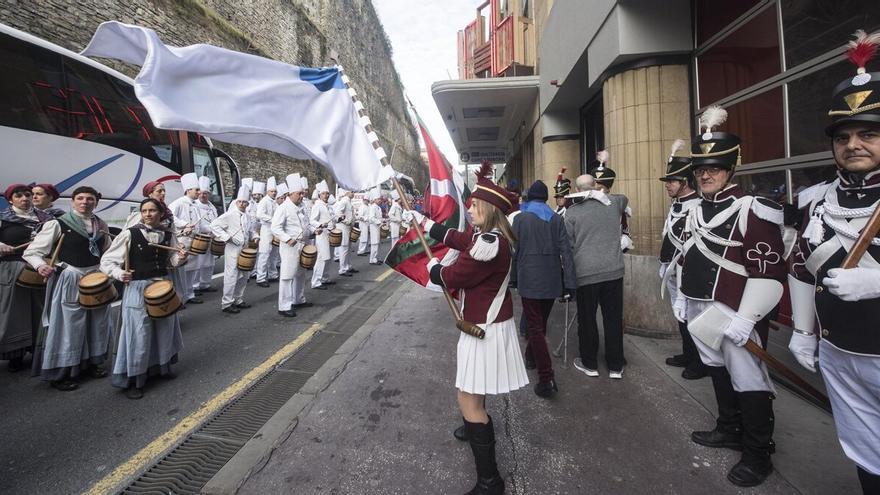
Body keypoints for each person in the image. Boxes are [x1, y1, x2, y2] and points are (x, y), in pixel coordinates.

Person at [786, 30, 880, 494]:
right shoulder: (816, 200)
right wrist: (804, 332)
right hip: (840, 352)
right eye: (843, 136)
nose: (853, 144)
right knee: (865, 452)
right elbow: (801, 265)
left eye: (868, 133)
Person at [674, 106, 786, 487]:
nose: (705, 174)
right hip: (702, 309)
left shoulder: (753, 208)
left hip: (739, 312)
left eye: (715, 168)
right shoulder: (695, 209)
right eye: (700, 169)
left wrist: (747, 317)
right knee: (716, 369)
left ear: (732, 168)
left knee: (749, 379)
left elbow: (768, 270)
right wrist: (683, 300)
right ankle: (728, 427)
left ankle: (758, 452)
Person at [409, 161, 527, 495]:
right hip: (486, 323)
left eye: (475, 205)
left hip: (483, 327)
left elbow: (453, 277)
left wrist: (433, 268)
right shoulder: (488, 236)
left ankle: (490, 481)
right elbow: (461, 239)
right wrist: (426, 224)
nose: (470, 208)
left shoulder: (490, 243)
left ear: (488, 209)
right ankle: (472, 426)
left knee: (468, 397)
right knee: (475, 387)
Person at [23, 186, 112, 391]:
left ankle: (91, 363)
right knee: (69, 326)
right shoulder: (57, 224)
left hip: (96, 278)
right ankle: (61, 372)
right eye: (80, 198)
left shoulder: (101, 224)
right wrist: (40, 265)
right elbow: (32, 252)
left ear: (95, 203)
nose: (85, 202)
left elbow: (107, 251)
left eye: (90, 199)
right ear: (72, 202)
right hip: (71, 277)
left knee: (96, 322)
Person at [100, 198, 187, 399]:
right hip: (138, 287)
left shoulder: (167, 234)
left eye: (152, 210)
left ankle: (161, 368)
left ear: (160, 213)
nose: (148, 214)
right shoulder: (130, 234)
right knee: (138, 332)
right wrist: (119, 273)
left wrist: (181, 257)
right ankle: (134, 378)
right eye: (144, 210)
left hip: (163, 286)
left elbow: (171, 261)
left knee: (164, 329)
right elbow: (107, 260)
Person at [565, 151, 631, 380]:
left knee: (587, 319)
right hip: (613, 271)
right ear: (596, 185)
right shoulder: (614, 203)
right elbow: (624, 199)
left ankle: (590, 363)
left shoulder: (571, 213)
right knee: (613, 318)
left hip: (586, 273)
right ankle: (615, 365)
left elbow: (570, 244)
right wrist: (600, 191)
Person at [511, 180, 576, 398]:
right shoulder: (556, 219)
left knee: (535, 327)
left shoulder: (520, 219)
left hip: (529, 280)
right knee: (539, 326)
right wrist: (570, 283)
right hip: (552, 280)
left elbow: (514, 251)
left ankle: (546, 377)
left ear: (530, 197)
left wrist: (513, 279)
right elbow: (566, 253)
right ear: (546, 198)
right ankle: (531, 356)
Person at [658, 139, 706, 380]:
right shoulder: (676, 205)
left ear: (685, 182)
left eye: (672, 181)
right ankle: (688, 355)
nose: (668, 186)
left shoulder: (698, 206)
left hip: (689, 274)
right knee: (682, 317)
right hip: (673, 272)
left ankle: (700, 362)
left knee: (693, 318)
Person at [0, 184, 51, 372]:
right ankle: (15, 354)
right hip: (12, 268)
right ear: (10, 199)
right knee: (16, 313)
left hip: (40, 268)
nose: (24, 199)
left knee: (40, 310)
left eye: (27, 195)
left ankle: (38, 349)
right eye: (19, 196)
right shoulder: (3, 219)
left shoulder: (46, 219)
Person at [211, 184, 255, 314]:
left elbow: (250, 231)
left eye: (244, 202)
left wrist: (256, 237)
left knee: (245, 275)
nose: (242, 204)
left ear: (247, 204)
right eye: (240, 202)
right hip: (232, 249)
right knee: (232, 275)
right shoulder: (229, 215)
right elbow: (214, 225)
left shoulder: (247, 216)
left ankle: (238, 299)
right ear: (237, 202)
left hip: (245, 248)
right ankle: (226, 303)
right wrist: (226, 237)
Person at [272, 174, 306, 317]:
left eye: (302, 193)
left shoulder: (301, 206)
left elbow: (305, 225)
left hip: (302, 244)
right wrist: (287, 239)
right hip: (290, 246)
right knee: (287, 275)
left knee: (300, 274)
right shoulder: (283, 207)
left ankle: (298, 299)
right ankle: (284, 306)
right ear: (291, 194)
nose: (302, 196)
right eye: (299, 193)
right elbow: (275, 227)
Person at [167, 172, 203, 305]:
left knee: (193, 269)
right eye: (197, 190)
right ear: (188, 190)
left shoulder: (195, 204)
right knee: (182, 271)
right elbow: (171, 217)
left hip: (194, 241)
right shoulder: (178, 203)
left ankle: (190, 294)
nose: (199, 192)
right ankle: (180, 298)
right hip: (183, 241)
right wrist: (185, 224)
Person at [193, 176, 218, 294]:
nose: (203, 195)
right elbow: (197, 224)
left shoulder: (212, 206)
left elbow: (216, 220)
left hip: (212, 238)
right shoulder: (194, 205)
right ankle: (195, 286)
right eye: (202, 193)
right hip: (200, 238)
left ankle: (205, 283)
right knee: (198, 263)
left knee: (210, 263)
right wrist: (210, 230)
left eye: (206, 193)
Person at [309, 180, 335, 289]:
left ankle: (325, 278)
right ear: (319, 195)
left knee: (329, 257)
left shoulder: (328, 206)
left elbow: (333, 217)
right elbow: (312, 220)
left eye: (327, 193)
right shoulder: (317, 206)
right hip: (322, 234)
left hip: (330, 234)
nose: (326, 195)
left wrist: (338, 218)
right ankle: (316, 281)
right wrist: (320, 224)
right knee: (322, 258)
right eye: (324, 193)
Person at [255, 176, 279, 287]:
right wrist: (272, 219)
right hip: (266, 229)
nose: (274, 193)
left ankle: (273, 274)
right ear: (267, 192)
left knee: (274, 253)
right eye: (272, 191)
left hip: (274, 230)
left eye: (275, 191)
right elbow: (259, 215)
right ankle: (260, 278)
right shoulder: (264, 201)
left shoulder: (275, 203)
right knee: (264, 253)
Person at [334, 187, 356, 276]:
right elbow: (337, 213)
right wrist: (346, 220)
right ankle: (342, 269)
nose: (353, 193)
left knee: (348, 248)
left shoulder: (348, 201)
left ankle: (348, 266)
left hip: (348, 227)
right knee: (344, 248)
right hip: (343, 227)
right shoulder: (344, 201)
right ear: (347, 192)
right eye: (352, 191)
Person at [367, 190, 383, 265]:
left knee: (377, 243)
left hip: (377, 227)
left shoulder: (378, 207)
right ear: (374, 200)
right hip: (374, 227)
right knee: (374, 243)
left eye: (380, 199)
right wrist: (379, 222)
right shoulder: (373, 207)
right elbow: (371, 218)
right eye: (378, 199)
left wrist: (383, 220)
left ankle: (375, 258)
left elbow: (378, 217)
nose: (380, 200)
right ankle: (372, 259)